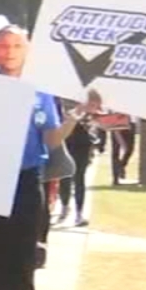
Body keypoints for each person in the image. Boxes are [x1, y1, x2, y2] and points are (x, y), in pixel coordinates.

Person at [0, 25, 98, 290]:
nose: (10, 51)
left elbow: (51, 139)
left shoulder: (39, 91)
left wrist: (77, 113)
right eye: (3, 45)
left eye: (17, 45)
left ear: (28, 50)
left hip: (26, 180)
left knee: (22, 259)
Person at [56, 95, 99, 226]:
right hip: (66, 140)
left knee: (79, 177)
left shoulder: (85, 96)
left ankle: (78, 213)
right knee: (65, 176)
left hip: (82, 142)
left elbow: (92, 118)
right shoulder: (62, 97)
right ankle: (64, 206)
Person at [110, 118, 137, 185]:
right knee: (116, 152)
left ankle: (121, 166)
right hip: (116, 122)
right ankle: (115, 179)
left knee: (129, 149)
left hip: (130, 122)